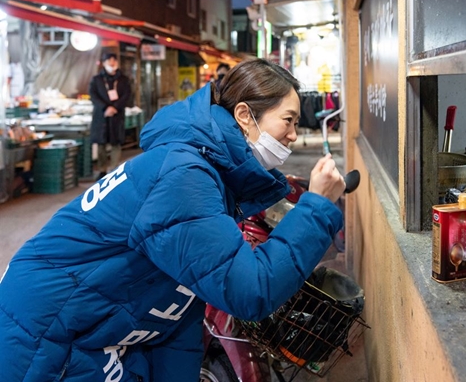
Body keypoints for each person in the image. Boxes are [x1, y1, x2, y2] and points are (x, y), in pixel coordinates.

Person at [0, 59, 346, 381]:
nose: (293, 135)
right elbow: (250, 290)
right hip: (45, 335)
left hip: (93, 331)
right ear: (244, 115)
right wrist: (315, 208)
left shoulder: (211, 172)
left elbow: (177, 315)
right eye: (288, 120)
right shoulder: (185, 174)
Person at [89, 53, 131, 179]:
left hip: (117, 115)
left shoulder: (124, 79)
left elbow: (127, 95)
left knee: (116, 142)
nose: (112, 63)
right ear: (103, 63)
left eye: (114, 60)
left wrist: (115, 107)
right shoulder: (97, 79)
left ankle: (114, 169)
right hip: (101, 115)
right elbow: (93, 95)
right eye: (109, 61)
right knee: (101, 143)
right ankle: (101, 169)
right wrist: (105, 107)